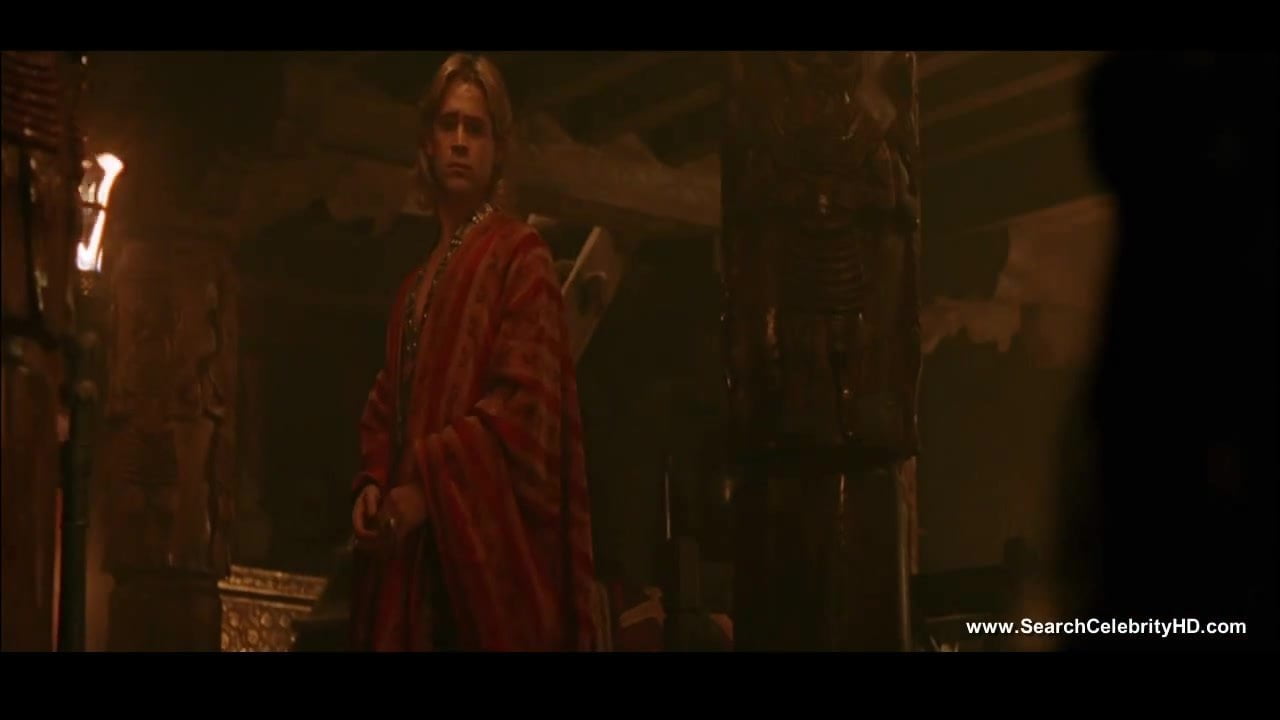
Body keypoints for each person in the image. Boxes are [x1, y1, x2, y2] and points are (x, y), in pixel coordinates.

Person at [348, 53, 598, 651]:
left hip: (484, 580)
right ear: (428, 143)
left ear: (496, 149)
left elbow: (527, 411)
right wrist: (374, 482)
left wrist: (428, 491)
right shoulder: (412, 289)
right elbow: (387, 405)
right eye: (448, 125)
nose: (460, 141)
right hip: (410, 566)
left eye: (476, 128)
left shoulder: (520, 256)